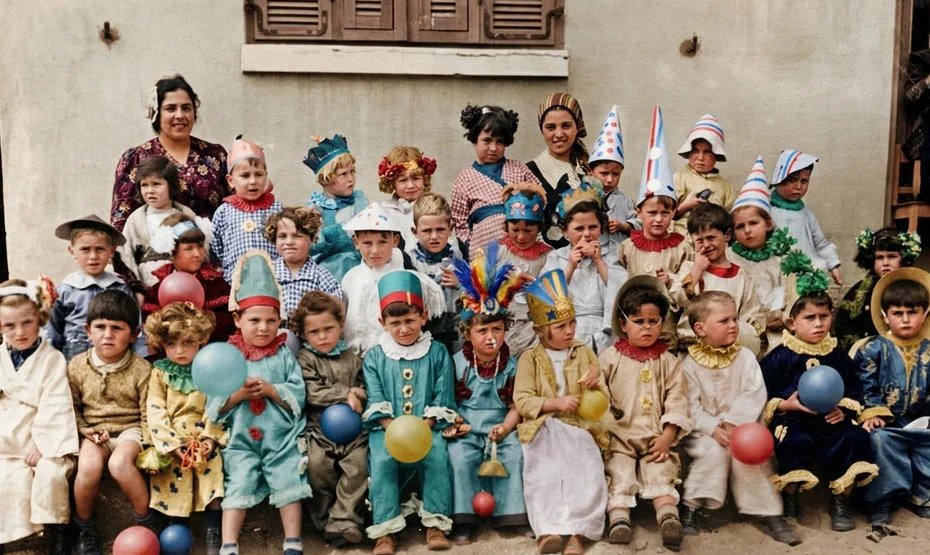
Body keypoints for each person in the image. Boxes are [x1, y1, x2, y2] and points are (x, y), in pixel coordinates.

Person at [760, 250, 877, 532]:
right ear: (792, 323)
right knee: (795, 443)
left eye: (824, 316)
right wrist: (784, 406)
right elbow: (761, 392)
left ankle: (841, 499)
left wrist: (843, 409)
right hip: (793, 420)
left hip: (830, 420)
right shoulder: (780, 356)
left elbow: (854, 388)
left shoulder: (837, 354)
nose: (818, 324)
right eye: (810, 317)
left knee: (855, 438)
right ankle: (790, 497)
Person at [205, 250, 312, 555]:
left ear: (280, 321)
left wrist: (273, 390)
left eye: (271, 321)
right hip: (241, 439)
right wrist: (238, 395)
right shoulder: (228, 356)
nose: (263, 328)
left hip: (281, 438)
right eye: (254, 320)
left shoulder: (283, 355)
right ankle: (229, 543)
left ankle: (293, 540)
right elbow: (214, 406)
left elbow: (297, 393)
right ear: (237, 319)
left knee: (289, 477)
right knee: (238, 481)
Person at [678, 292, 800, 546]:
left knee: (748, 454)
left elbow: (754, 393)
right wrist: (712, 427)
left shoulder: (745, 357)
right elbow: (689, 405)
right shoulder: (690, 365)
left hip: (742, 426)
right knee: (712, 453)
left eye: (735, 319)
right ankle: (692, 506)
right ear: (700, 329)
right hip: (704, 431)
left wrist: (735, 423)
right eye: (724, 321)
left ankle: (769, 511)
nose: (734, 325)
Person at [514, 269, 613, 555]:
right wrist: (553, 404)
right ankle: (548, 529)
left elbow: (602, 396)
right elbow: (522, 400)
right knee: (543, 471)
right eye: (560, 327)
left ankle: (578, 532)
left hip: (579, 425)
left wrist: (594, 387)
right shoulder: (530, 359)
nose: (569, 331)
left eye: (572, 323)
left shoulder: (584, 352)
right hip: (543, 426)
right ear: (540, 330)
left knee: (585, 466)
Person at [362, 271, 456, 555]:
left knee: (436, 456)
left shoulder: (437, 352)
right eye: (395, 323)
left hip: (428, 427)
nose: (403, 329)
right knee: (382, 460)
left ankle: (435, 524)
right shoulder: (375, 356)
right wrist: (393, 430)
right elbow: (375, 396)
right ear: (383, 323)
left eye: (410, 321)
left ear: (423, 317)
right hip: (386, 428)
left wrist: (425, 426)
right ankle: (385, 530)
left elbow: (442, 393)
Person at [599, 276, 691, 550]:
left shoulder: (669, 362)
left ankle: (668, 517)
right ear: (623, 323)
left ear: (663, 322)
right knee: (619, 473)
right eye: (639, 321)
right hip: (620, 437)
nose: (647, 328)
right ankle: (619, 520)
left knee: (661, 470)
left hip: (655, 437)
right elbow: (599, 396)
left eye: (654, 321)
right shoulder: (609, 358)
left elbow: (677, 400)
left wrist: (667, 436)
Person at [447, 242, 526, 544]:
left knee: (514, 453)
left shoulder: (513, 365)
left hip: (500, 427)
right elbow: (448, 401)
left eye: (497, 330)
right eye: (482, 331)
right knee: (459, 456)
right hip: (466, 427)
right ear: (467, 334)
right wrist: (457, 422)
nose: (491, 337)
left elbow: (517, 404)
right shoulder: (457, 363)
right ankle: (464, 519)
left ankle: (510, 515)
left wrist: (506, 427)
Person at [68, 291, 159, 555]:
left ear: (133, 334)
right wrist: (83, 428)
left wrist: (151, 448)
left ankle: (147, 520)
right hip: (94, 431)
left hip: (131, 429)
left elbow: (148, 412)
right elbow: (70, 407)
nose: (107, 335)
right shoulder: (76, 367)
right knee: (88, 466)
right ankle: (85, 528)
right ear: (88, 331)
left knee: (119, 464)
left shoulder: (141, 369)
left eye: (117, 328)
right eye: (100, 327)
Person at [0, 278, 78, 554]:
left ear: (40, 319)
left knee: (50, 473)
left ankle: (57, 532)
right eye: (10, 325)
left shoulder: (51, 359)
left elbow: (56, 403)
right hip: (6, 434)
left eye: (27, 323)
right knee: (6, 474)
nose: (20, 332)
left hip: (39, 433)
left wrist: (42, 442)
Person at [142, 303, 224, 555]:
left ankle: (213, 528)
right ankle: (178, 525)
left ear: (201, 340)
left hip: (202, 436)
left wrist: (210, 438)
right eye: (171, 344)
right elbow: (155, 409)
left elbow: (217, 403)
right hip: (175, 437)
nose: (179, 351)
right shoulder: (159, 373)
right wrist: (172, 445)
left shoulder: (209, 369)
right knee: (173, 474)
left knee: (213, 471)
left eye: (187, 343)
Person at [853, 268, 930, 531]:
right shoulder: (872, 348)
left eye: (913, 312)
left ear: (925, 314)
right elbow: (865, 385)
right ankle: (882, 503)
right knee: (880, 440)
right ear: (885, 315)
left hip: (920, 422)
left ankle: (922, 496)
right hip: (886, 423)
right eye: (898, 313)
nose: (905, 319)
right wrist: (874, 412)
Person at [291, 292, 367, 548]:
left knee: (357, 467)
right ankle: (325, 522)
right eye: (314, 332)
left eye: (328, 329)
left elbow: (363, 387)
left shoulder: (352, 359)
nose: (322, 336)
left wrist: (360, 392)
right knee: (317, 469)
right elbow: (310, 392)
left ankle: (345, 520)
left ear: (340, 325)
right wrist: (345, 394)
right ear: (303, 334)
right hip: (318, 431)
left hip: (354, 433)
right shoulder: (305, 359)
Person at [112, 74, 229, 232]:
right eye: (171, 108)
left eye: (186, 108)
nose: (180, 115)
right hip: (156, 245)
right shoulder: (136, 158)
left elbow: (234, 207)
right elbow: (121, 222)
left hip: (211, 243)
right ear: (157, 114)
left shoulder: (215, 155)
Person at [341, 204, 445, 357]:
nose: (375, 251)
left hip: (394, 357)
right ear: (356, 242)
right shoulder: (351, 278)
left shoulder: (406, 278)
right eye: (367, 243)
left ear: (395, 240)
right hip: (356, 357)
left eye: (382, 242)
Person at [541, 181, 627, 353]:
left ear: (601, 228)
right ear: (565, 231)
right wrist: (571, 266)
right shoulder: (556, 257)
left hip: (604, 329)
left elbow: (623, 290)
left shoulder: (612, 253)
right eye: (579, 228)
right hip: (567, 328)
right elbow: (545, 296)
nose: (587, 234)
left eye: (593, 227)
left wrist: (599, 261)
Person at [670, 203, 765, 354]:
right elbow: (678, 297)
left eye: (711, 238)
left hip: (728, 349)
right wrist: (697, 270)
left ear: (727, 235)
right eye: (699, 240)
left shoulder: (740, 276)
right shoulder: (690, 268)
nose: (706, 245)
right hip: (693, 347)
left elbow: (751, 313)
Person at [46, 215, 143, 361]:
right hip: (74, 363)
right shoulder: (65, 291)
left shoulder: (121, 289)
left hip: (114, 363)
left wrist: (140, 358)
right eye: (85, 249)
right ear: (72, 251)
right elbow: (51, 331)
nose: (93, 256)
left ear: (111, 251)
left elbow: (136, 329)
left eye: (100, 249)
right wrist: (52, 363)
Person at [451, 104, 540, 258]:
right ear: (474, 139)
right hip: (483, 247)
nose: (493, 148)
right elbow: (459, 223)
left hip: (522, 241)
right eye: (487, 140)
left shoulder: (518, 168)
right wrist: (471, 245)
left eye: (499, 141)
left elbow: (539, 197)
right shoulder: (464, 179)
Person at [726, 157, 796, 354]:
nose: (747, 231)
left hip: (779, 331)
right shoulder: (729, 257)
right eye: (740, 226)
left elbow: (791, 293)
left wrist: (784, 318)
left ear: (768, 224)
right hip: (742, 331)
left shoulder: (781, 258)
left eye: (753, 223)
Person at [143, 214, 235, 343]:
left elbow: (232, 321)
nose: (197, 254)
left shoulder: (216, 285)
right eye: (189, 249)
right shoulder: (157, 291)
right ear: (171, 253)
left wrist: (209, 318)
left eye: (201, 246)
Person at [835, 227, 921, 352]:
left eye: (892, 256)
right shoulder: (859, 290)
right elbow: (841, 323)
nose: (885, 263)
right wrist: (862, 349)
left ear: (903, 258)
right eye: (880, 257)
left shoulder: (916, 289)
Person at [118, 155, 199, 287]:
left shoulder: (185, 215)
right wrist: (136, 288)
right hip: (147, 283)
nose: (150, 191)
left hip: (181, 283)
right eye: (144, 185)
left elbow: (198, 251)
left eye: (156, 184)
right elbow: (126, 256)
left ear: (171, 185)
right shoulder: (136, 219)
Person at [769, 150, 843, 292]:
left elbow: (820, 243)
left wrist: (833, 265)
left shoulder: (806, 214)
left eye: (804, 181)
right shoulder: (767, 211)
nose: (798, 186)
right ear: (779, 178)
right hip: (777, 276)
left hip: (807, 274)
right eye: (792, 180)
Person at [212, 136, 283, 281]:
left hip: (272, 281)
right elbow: (216, 247)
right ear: (230, 181)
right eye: (245, 176)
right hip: (236, 283)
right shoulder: (224, 212)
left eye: (258, 175)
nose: (253, 181)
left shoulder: (277, 209)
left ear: (266, 176)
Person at [526, 93, 590, 249]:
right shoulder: (529, 173)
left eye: (566, 126)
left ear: (577, 127)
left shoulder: (588, 170)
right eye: (551, 127)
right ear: (542, 130)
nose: (559, 134)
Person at [496, 183, 552, 356]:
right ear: (506, 226)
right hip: (503, 319)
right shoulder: (498, 251)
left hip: (532, 324)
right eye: (515, 230)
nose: (521, 236)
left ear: (539, 228)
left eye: (528, 230)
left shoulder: (547, 256)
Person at [303, 134, 369, 281]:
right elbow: (311, 246)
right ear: (325, 179)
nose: (350, 179)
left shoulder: (359, 201)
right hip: (326, 271)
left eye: (352, 171)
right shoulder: (314, 207)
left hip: (359, 265)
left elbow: (365, 231)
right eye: (343, 174)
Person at [406, 193, 463, 356]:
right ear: (415, 231)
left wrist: (460, 283)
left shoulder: (458, 256)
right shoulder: (409, 260)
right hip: (423, 325)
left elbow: (473, 295)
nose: (434, 237)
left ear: (450, 229)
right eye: (426, 231)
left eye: (440, 230)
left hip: (454, 326)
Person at [264, 206, 343, 317]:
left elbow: (334, 315)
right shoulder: (267, 274)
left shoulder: (323, 278)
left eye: (297, 236)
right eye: (282, 236)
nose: (289, 242)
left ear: (312, 238)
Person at [587, 105, 639, 255]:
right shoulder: (582, 196)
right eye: (604, 173)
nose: (610, 180)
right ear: (591, 172)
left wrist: (623, 226)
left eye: (616, 174)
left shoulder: (625, 199)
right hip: (591, 252)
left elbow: (637, 222)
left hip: (619, 254)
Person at [672, 114, 735, 234]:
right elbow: (662, 215)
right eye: (695, 151)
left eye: (707, 152)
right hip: (681, 237)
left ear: (716, 155)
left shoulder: (726, 187)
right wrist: (685, 206)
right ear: (689, 152)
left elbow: (731, 218)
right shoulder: (678, 179)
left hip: (713, 239)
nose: (700, 157)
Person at [377, 146, 437, 250]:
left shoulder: (434, 208)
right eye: (403, 180)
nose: (410, 185)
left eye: (416, 178)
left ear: (424, 179)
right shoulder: (384, 211)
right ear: (393, 183)